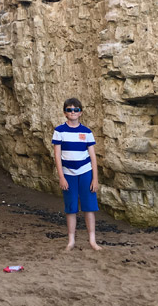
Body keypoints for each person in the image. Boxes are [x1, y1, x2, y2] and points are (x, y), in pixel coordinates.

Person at [52, 97, 101, 251]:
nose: (72, 112)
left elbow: (93, 157)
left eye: (76, 110)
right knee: (71, 207)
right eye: (69, 109)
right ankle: (71, 241)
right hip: (68, 174)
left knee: (89, 207)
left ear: (81, 112)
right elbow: (57, 156)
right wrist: (61, 177)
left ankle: (92, 240)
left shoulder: (87, 132)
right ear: (65, 112)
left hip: (86, 172)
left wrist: (95, 178)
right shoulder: (59, 131)